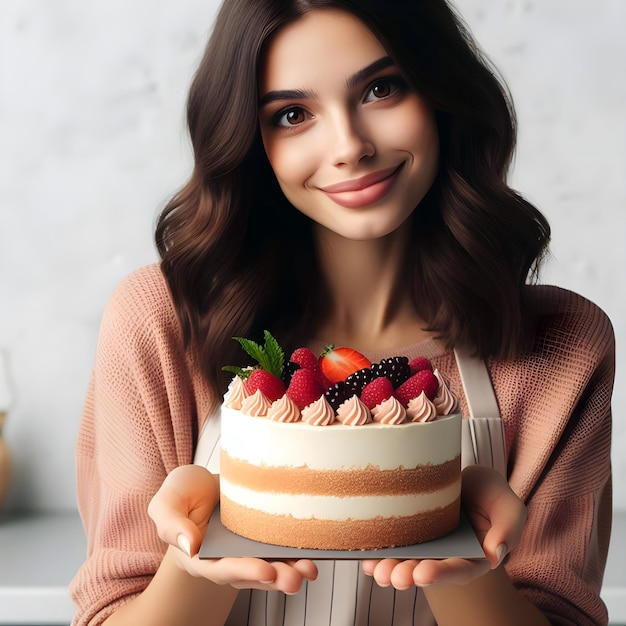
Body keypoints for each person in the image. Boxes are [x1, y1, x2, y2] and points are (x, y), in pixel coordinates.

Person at [70, 0, 615, 624]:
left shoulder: (564, 345)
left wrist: (452, 537)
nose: (349, 146)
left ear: (441, 93)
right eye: (293, 114)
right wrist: (210, 541)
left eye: (382, 88)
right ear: (251, 141)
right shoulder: (160, 321)